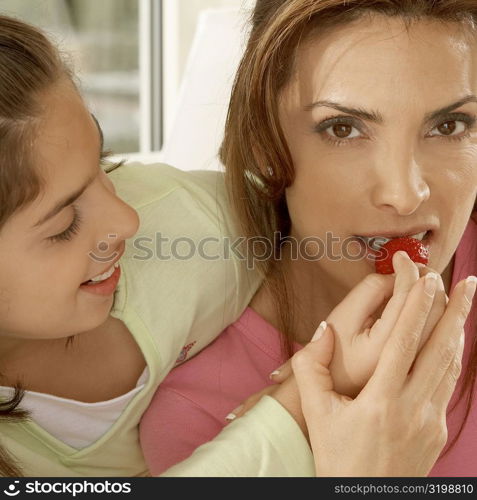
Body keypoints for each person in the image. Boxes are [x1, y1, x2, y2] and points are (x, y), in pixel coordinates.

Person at [140, 0, 477, 477]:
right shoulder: (205, 423)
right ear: (263, 142)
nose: (405, 194)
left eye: (450, 125)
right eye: (343, 128)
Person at [0, 13, 320, 477]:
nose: (126, 220)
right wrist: (291, 420)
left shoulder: (192, 223)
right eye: (65, 224)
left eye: (103, 163)